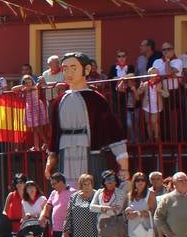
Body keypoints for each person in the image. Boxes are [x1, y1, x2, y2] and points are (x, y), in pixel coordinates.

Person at [45, 53, 129, 183]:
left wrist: (123, 163)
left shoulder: (96, 99)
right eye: (65, 69)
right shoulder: (59, 101)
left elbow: (113, 131)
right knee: (68, 188)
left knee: (91, 186)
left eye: (73, 68)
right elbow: (54, 133)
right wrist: (50, 161)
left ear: (87, 69)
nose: (68, 73)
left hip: (90, 150)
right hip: (65, 150)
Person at [20, 75, 51, 152]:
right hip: (30, 108)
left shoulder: (35, 87)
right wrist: (23, 86)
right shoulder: (25, 88)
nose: (28, 84)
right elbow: (13, 89)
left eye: (29, 82)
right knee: (34, 129)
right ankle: (36, 146)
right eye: (26, 82)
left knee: (38, 128)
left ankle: (46, 143)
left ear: (32, 81)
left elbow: (39, 86)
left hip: (36, 108)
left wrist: (41, 80)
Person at [138, 66, 165, 143]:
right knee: (148, 122)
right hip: (147, 105)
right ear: (148, 75)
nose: (154, 75)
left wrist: (160, 91)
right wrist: (140, 87)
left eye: (155, 73)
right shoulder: (146, 84)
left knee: (154, 121)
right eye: (152, 73)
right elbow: (138, 93)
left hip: (156, 105)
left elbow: (167, 94)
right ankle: (150, 138)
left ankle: (156, 137)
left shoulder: (160, 83)